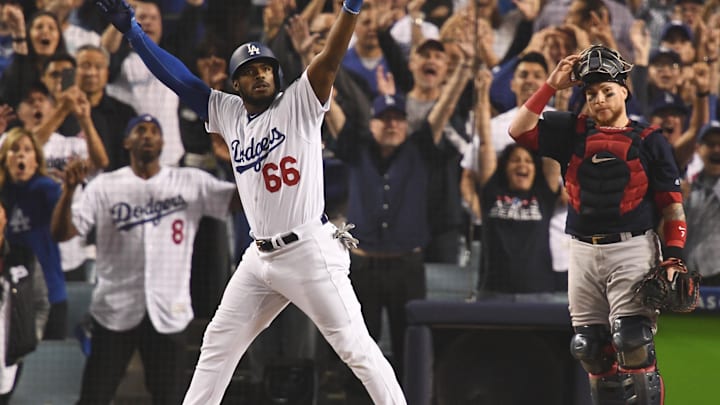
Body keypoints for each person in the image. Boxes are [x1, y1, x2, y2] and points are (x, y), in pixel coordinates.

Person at [94, 0, 407, 404]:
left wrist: (349, 9)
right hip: (260, 258)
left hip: (309, 251)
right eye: (248, 72)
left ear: (277, 74)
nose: (260, 75)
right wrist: (134, 32)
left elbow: (328, 60)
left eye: (265, 69)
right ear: (235, 84)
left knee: (356, 349)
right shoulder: (228, 113)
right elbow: (181, 80)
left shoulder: (300, 101)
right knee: (217, 346)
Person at [508, 45, 688, 404]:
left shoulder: (651, 141)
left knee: (633, 341)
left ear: (624, 90)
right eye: (591, 94)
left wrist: (673, 257)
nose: (600, 99)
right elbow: (518, 129)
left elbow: (672, 208)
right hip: (582, 249)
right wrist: (551, 85)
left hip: (632, 247)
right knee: (589, 346)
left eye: (607, 90)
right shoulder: (570, 129)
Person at [50, 114, 239, 405]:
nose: (148, 135)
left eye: (154, 130)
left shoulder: (188, 180)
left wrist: (237, 163)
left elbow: (239, 202)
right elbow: (62, 233)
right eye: (140, 130)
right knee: (94, 398)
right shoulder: (104, 186)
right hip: (114, 308)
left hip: (168, 310)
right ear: (127, 141)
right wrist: (69, 192)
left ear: (163, 141)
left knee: (170, 398)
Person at [0, 127, 65, 341]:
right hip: (8, 299)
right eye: (14, 149)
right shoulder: (2, 193)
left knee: (49, 366)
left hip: (49, 294)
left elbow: (64, 227)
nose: (21, 155)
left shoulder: (47, 189)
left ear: (36, 160)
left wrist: (70, 191)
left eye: (28, 150)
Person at [684, 121, 720, 286]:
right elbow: (664, 235)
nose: (716, 150)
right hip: (689, 275)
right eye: (710, 144)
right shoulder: (687, 188)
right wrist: (675, 204)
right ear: (698, 148)